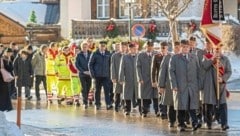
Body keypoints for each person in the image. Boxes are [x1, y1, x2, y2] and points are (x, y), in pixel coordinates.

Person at [169, 40, 201, 131]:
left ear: (189, 47)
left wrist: (198, 84)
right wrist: (174, 85)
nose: (185, 48)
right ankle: (180, 124)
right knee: (181, 106)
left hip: (192, 86)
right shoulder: (175, 58)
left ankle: (194, 123)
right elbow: (171, 72)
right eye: (183, 47)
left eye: (187, 47)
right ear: (180, 47)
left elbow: (198, 71)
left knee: (192, 105)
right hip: (180, 86)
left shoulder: (194, 57)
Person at [201, 44, 232, 130]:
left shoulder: (225, 59)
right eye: (216, 49)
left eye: (219, 49)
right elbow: (204, 66)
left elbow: (229, 71)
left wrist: (223, 78)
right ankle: (208, 123)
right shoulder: (207, 57)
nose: (217, 50)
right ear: (213, 49)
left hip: (221, 85)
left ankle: (224, 124)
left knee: (222, 105)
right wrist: (212, 60)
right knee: (209, 105)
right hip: (210, 85)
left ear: (222, 49)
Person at [137, 41, 158, 117]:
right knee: (144, 96)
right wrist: (140, 78)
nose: (150, 47)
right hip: (144, 79)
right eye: (148, 46)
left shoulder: (156, 55)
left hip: (154, 79)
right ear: (145, 47)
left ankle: (157, 111)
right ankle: (144, 111)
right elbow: (138, 67)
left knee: (156, 96)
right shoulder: (141, 55)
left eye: (151, 46)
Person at [89, 41, 112, 110]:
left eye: (104, 46)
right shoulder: (95, 54)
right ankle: (97, 104)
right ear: (99, 46)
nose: (102, 47)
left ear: (105, 47)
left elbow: (110, 65)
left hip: (106, 76)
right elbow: (90, 64)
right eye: (101, 46)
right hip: (97, 76)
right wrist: (93, 75)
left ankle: (108, 104)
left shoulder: (108, 54)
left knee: (107, 91)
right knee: (97, 91)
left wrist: (110, 74)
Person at [158, 42, 176, 127]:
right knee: (171, 103)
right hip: (169, 85)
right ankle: (171, 121)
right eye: (176, 47)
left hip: (181, 86)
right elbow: (162, 72)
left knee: (181, 104)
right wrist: (161, 85)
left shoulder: (184, 57)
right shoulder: (167, 58)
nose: (178, 49)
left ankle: (181, 121)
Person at [119, 43, 139, 115]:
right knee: (127, 95)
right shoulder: (125, 57)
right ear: (129, 49)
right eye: (133, 48)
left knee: (138, 94)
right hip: (128, 79)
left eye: (135, 48)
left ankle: (141, 109)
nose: (134, 50)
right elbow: (121, 69)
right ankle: (127, 109)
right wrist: (121, 79)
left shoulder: (138, 56)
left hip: (137, 79)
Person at [111, 42, 128, 112]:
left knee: (126, 92)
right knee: (117, 92)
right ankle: (116, 105)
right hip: (117, 77)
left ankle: (124, 106)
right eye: (122, 47)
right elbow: (112, 67)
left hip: (126, 77)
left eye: (124, 47)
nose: (123, 48)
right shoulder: (114, 56)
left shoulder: (128, 55)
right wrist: (113, 77)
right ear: (119, 47)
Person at [151, 42, 167, 118]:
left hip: (168, 80)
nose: (163, 49)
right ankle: (161, 111)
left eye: (164, 48)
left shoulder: (170, 56)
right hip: (159, 79)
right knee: (160, 95)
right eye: (162, 48)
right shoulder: (156, 57)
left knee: (167, 95)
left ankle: (166, 110)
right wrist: (153, 81)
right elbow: (153, 70)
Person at [76, 42, 92, 109]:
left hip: (90, 74)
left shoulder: (91, 54)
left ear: (87, 47)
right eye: (83, 47)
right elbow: (77, 65)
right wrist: (83, 71)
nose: (85, 48)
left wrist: (90, 71)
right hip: (82, 74)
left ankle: (85, 99)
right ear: (81, 48)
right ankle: (85, 102)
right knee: (84, 88)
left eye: (86, 47)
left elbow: (94, 63)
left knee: (88, 88)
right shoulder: (79, 55)